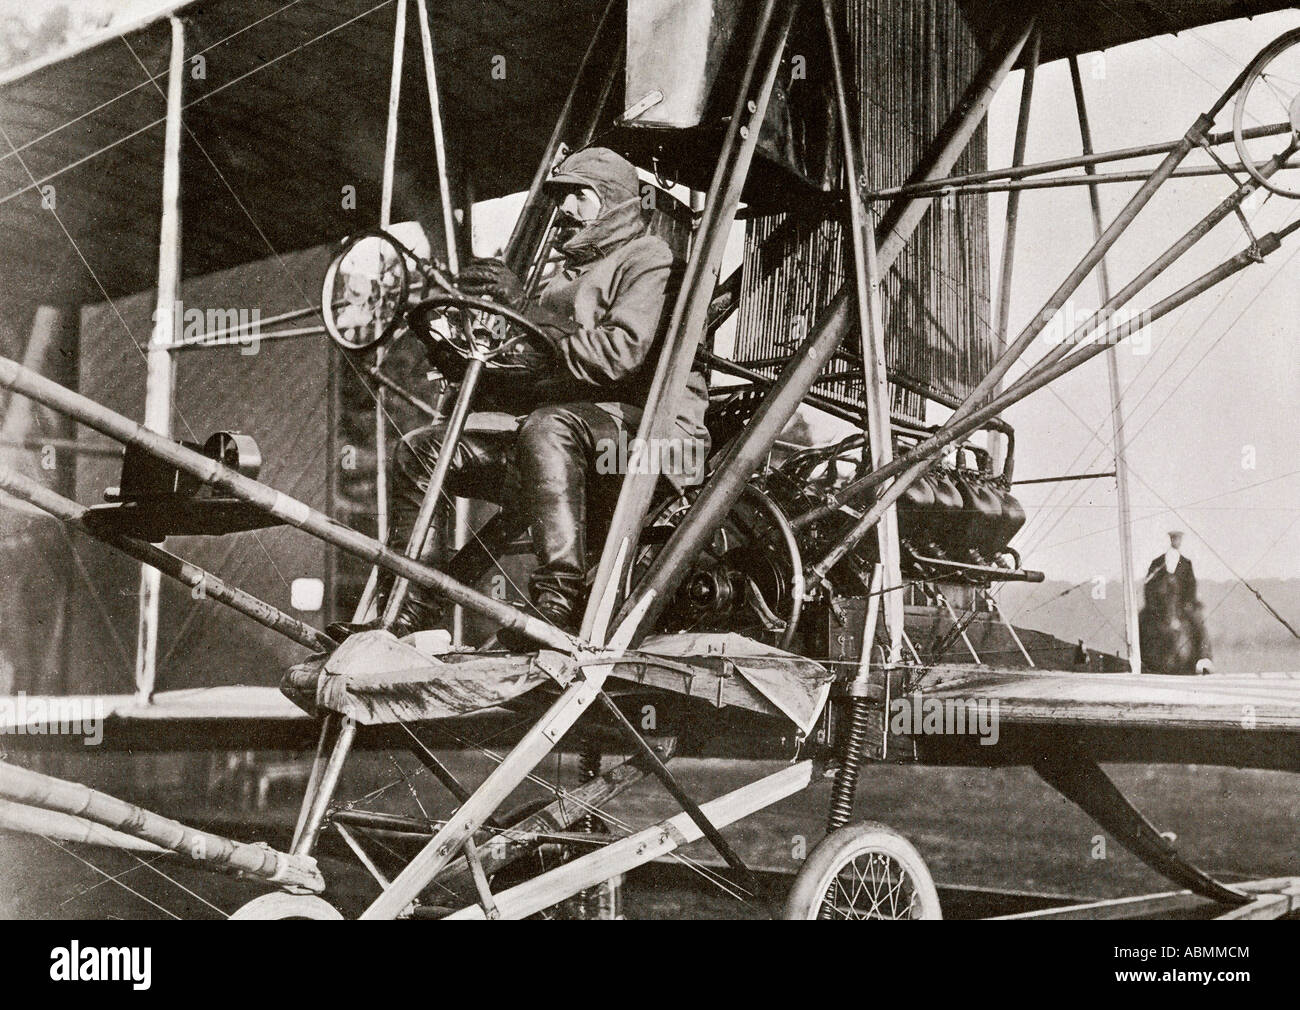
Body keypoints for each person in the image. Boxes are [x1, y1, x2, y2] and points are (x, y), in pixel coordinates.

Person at [375, 147, 710, 639]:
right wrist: (459, 356)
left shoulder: (648, 259)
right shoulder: (562, 279)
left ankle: (558, 602)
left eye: (581, 195)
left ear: (614, 201)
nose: (567, 208)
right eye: (563, 196)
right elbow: (539, 366)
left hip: (650, 441)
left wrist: (526, 312)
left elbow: (617, 355)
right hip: (564, 438)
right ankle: (405, 613)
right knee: (422, 450)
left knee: (549, 426)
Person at [1139, 530, 1214, 675]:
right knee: (1140, 620)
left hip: (1182, 604)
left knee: (1199, 621)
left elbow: (1191, 585)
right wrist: (1153, 606)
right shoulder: (1158, 562)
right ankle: (1140, 660)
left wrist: (1188, 604)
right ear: (1170, 540)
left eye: (1178, 539)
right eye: (1174, 538)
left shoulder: (1186, 563)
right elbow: (1148, 586)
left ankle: (1204, 658)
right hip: (1159, 606)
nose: (1176, 541)